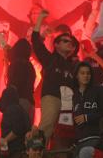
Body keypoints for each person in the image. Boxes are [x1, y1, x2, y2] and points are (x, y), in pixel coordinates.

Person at [31, 9, 78, 144]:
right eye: (65, 41)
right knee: (47, 127)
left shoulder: (72, 66)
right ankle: (38, 151)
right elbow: (35, 41)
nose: (69, 43)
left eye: (71, 42)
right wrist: (40, 19)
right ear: (56, 45)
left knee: (62, 134)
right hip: (52, 97)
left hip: (68, 102)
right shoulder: (50, 60)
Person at [0, 0, 93, 39]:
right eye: (33, 12)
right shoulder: (23, 28)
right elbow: (7, 17)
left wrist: (88, 2)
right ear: (29, 15)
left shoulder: (52, 27)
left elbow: (71, 17)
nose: (35, 15)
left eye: (38, 12)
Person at [72, 62, 103, 158]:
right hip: (79, 141)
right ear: (77, 76)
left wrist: (87, 118)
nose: (86, 76)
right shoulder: (74, 96)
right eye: (82, 73)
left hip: (96, 139)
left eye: (88, 73)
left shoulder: (99, 90)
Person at [0, 86, 31, 157]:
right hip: (21, 149)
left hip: (15, 151)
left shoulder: (12, 109)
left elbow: (17, 129)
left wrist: (4, 141)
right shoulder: (21, 109)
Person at [7, 39, 36, 124]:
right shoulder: (29, 65)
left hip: (17, 102)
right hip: (29, 102)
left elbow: (14, 84)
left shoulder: (16, 64)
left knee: (13, 130)